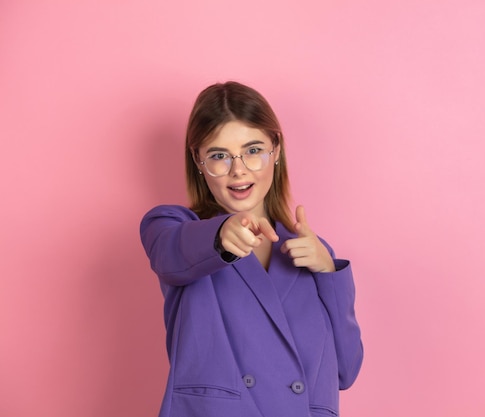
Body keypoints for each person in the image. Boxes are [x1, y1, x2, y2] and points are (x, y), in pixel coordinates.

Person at [140, 81, 363, 417]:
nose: (239, 169)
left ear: (276, 151)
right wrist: (221, 236)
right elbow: (170, 253)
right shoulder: (173, 227)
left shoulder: (309, 251)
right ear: (198, 161)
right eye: (219, 156)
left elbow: (347, 370)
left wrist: (329, 272)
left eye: (253, 150)